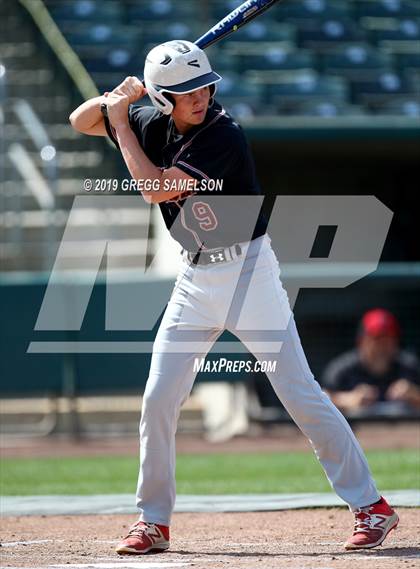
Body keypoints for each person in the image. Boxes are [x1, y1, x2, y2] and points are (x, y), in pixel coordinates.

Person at [69, 40, 399, 554]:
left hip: (249, 274)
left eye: (204, 85)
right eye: (184, 91)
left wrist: (125, 122)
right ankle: (152, 520)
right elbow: (79, 120)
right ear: (161, 99)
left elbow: (154, 188)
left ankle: (371, 507)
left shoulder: (222, 135)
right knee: (159, 397)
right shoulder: (153, 120)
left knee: (300, 393)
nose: (200, 96)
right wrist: (117, 100)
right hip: (195, 279)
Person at [323, 308, 420, 414]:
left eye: (388, 340)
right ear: (361, 341)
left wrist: (414, 395)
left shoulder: (410, 367)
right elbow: (321, 399)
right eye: (377, 340)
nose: (382, 347)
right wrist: (349, 399)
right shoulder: (343, 369)